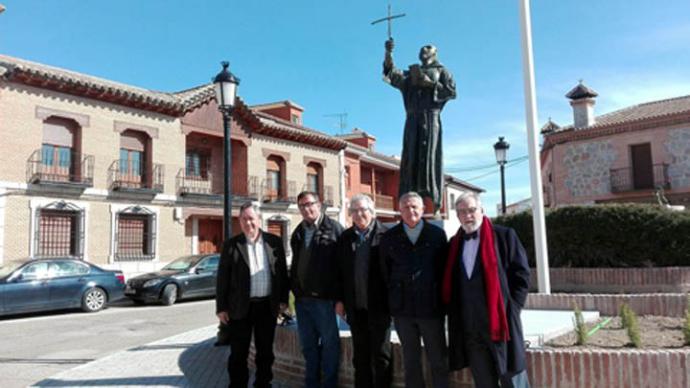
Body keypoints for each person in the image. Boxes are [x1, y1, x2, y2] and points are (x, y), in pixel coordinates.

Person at [442, 192, 531, 388]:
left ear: (482, 210)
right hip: (471, 330)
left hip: (500, 325)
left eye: (472, 210)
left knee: (513, 379)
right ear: (457, 216)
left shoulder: (504, 236)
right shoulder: (453, 245)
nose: (468, 216)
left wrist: (512, 309)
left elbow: (522, 276)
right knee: (483, 382)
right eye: (462, 212)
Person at [215, 202, 289, 388]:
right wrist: (221, 307)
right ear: (239, 221)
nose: (248, 223)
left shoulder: (274, 242)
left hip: (266, 307)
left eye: (251, 219)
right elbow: (222, 278)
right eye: (244, 219)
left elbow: (281, 274)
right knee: (238, 352)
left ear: (259, 220)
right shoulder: (232, 245)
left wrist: (283, 300)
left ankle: (263, 384)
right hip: (240, 308)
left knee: (265, 351)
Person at [379, 192, 449, 388]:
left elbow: (444, 270)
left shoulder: (436, 235)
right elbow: (385, 272)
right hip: (403, 311)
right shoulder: (389, 238)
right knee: (411, 361)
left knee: (438, 360)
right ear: (399, 210)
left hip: (431, 308)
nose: (410, 211)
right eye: (406, 207)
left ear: (423, 209)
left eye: (414, 207)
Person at [383, 39, 456, 213]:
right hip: (412, 120)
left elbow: (451, 92)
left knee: (430, 158)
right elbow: (391, 74)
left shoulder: (442, 71)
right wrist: (388, 53)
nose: (424, 49)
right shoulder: (410, 75)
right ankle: (409, 198)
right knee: (410, 159)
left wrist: (429, 83)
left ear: (435, 52)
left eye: (428, 47)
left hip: (431, 119)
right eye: (422, 48)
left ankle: (433, 200)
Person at [336, 194, 392, 388]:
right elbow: (339, 272)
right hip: (355, 308)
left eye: (363, 210)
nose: (359, 214)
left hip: (379, 308)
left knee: (381, 357)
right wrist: (340, 300)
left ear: (372, 212)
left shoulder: (386, 236)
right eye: (354, 210)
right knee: (359, 358)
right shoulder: (345, 237)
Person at [290, 191, 345, 388]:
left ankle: (329, 384)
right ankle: (311, 383)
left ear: (319, 204)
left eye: (309, 204)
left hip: (325, 300)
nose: (306, 209)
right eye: (302, 206)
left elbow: (343, 268)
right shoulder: (298, 232)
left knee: (330, 346)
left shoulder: (335, 229)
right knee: (308, 346)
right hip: (303, 300)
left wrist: (340, 299)